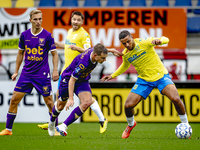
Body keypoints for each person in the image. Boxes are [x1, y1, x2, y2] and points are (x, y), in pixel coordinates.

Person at [38, 11, 122, 133]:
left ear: (82, 22)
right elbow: (70, 47)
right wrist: (53, 43)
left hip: (78, 71)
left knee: (84, 100)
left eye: (78, 20)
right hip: (68, 71)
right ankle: (53, 123)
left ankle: (57, 125)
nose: (76, 22)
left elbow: (90, 51)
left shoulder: (84, 35)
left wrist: (78, 49)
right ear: (71, 20)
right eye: (74, 19)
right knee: (60, 102)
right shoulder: (70, 32)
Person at [100, 30, 189, 139]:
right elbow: (125, 65)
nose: (127, 45)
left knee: (175, 98)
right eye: (124, 43)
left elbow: (166, 39)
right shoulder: (126, 54)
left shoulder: (145, 42)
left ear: (132, 38)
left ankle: (185, 124)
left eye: (128, 41)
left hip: (161, 76)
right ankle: (131, 125)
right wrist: (113, 75)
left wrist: (159, 41)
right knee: (128, 106)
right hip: (144, 80)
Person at [0, 9, 59, 136]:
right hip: (26, 74)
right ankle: (8, 129)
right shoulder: (24, 35)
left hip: (42, 75)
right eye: (36, 19)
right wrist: (16, 71)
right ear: (30, 20)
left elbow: (55, 54)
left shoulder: (48, 36)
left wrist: (55, 70)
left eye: (40, 19)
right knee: (14, 100)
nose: (38, 22)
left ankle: (55, 129)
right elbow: (20, 53)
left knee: (49, 102)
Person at [48, 43, 108, 136]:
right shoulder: (83, 64)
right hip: (68, 79)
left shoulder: (95, 50)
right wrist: (71, 99)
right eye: (103, 58)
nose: (105, 60)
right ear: (95, 55)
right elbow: (72, 80)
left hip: (82, 80)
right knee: (60, 106)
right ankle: (51, 123)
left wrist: (112, 51)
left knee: (87, 102)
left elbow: (87, 50)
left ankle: (63, 126)